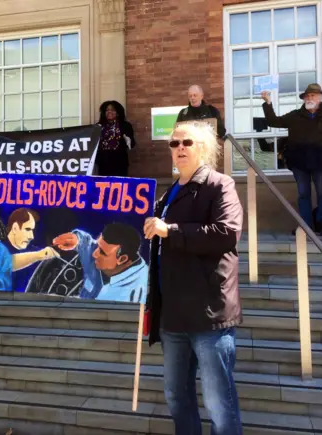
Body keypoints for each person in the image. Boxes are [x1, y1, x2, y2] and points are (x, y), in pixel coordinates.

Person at [143, 121, 243, 435]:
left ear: (203, 148)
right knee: (176, 396)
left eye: (187, 142)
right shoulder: (168, 194)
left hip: (208, 314)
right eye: (174, 143)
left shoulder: (220, 184)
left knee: (219, 403)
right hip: (172, 316)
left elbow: (226, 233)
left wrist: (170, 231)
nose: (180, 148)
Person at [261, 84, 322, 236]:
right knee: (303, 194)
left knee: (321, 193)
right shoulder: (295, 116)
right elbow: (274, 121)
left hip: (321, 162)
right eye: (307, 96)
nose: (309, 98)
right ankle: (306, 226)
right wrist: (267, 103)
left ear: (320, 98)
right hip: (299, 163)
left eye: (313, 95)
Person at [52, 223, 147, 302]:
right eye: (97, 245)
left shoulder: (137, 290)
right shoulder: (100, 254)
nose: (94, 254)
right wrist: (77, 239)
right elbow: (86, 243)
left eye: (102, 252)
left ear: (122, 259)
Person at [4, 208, 59, 292]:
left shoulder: (35, 250)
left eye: (32, 230)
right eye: (27, 229)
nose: (31, 236)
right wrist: (40, 255)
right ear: (15, 228)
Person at [95, 101, 136, 177]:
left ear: (118, 112)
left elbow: (132, 143)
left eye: (113, 110)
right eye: (107, 110)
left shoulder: (125, 125)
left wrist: (128, 140)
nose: (109, 112)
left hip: (119, 162)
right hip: (103, 163)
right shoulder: (98, 126)